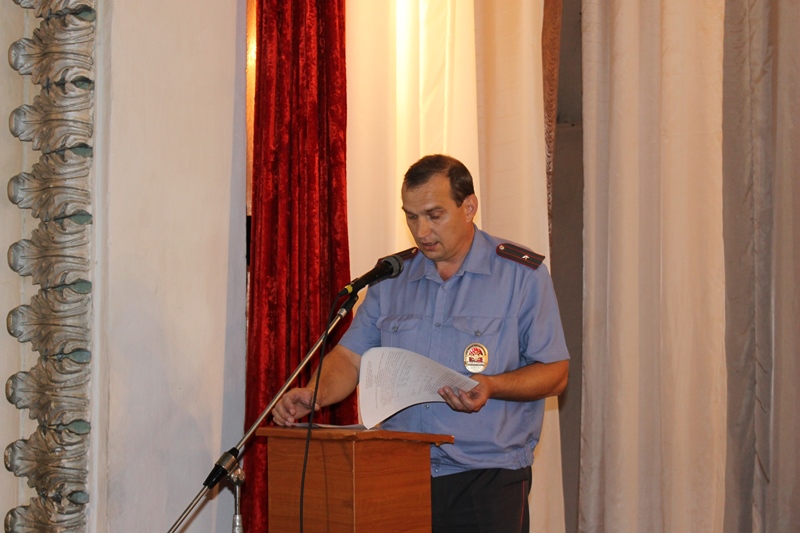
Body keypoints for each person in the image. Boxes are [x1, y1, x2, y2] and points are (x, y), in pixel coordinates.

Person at [273, 154, 570, 533]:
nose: (421, 230)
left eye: (434, 215)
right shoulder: (390, 279)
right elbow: (350, 358)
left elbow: (556, 373)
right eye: (411, 217)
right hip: (399, 471)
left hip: (486, 476)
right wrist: (315, 393)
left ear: (469, 207)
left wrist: (492, 386)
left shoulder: (521, 276)